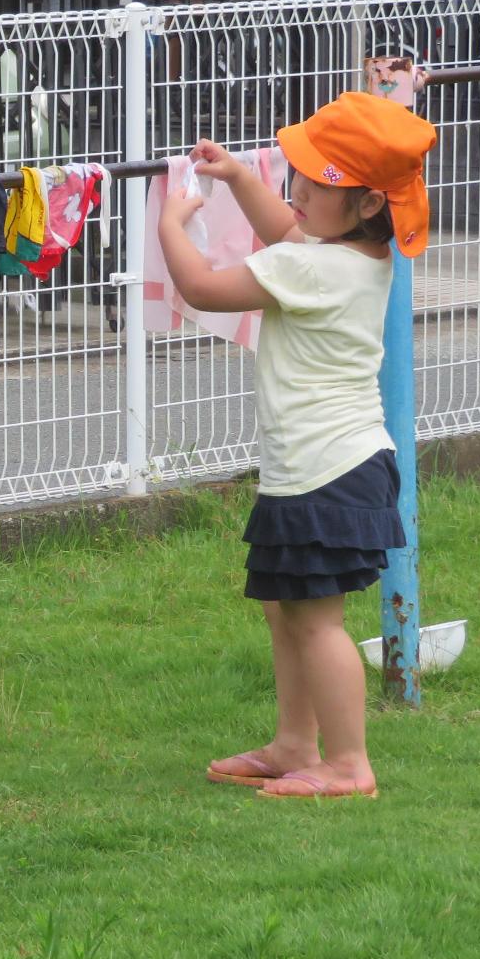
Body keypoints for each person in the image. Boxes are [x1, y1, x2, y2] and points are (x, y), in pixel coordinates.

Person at [159, 91, 437, 800]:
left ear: (369, 203)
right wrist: (241, 178)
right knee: (287, 609)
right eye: (298, 174)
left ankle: (348, 764)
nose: (299, 189)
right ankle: (293, 743)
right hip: (327, 466)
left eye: (319, 183)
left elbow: (197, 286)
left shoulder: (310, 270)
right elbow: (287, 231)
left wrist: (169, 223)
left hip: (326, 470)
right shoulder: (356, 258)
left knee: (316, 622)